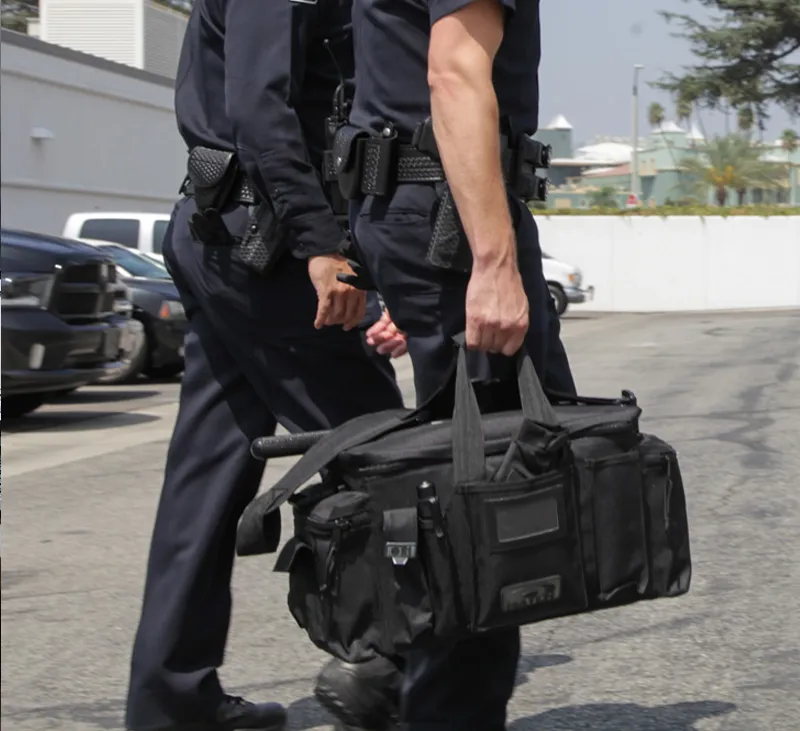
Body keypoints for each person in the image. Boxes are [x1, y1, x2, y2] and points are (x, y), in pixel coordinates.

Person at [123, 1, 410, 730]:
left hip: (231, 231)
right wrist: (321, 247)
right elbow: (260, 108)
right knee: (381, 450)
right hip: (265, 247)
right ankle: (393, 669)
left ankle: (171, 700)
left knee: (208, 472)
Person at [321, 0, 579, 729]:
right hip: (446, 216)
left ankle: (392, 671)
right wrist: (492, 264)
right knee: (489, 492)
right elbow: (455, 72)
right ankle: (420, 690)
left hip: (422, 211)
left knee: (476, 477)